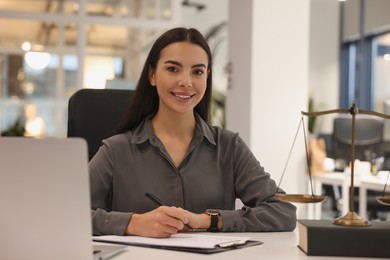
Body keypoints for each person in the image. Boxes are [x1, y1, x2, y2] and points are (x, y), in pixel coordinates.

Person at [89, 27, 297, 238]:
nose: (186, 82)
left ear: (207, 77)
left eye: (197, 72)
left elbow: (283, 211)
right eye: (173, 69)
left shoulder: (228, 147)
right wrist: (132, 223)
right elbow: (63, 214)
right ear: (152, 75)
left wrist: (208, 220)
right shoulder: (116, 150)